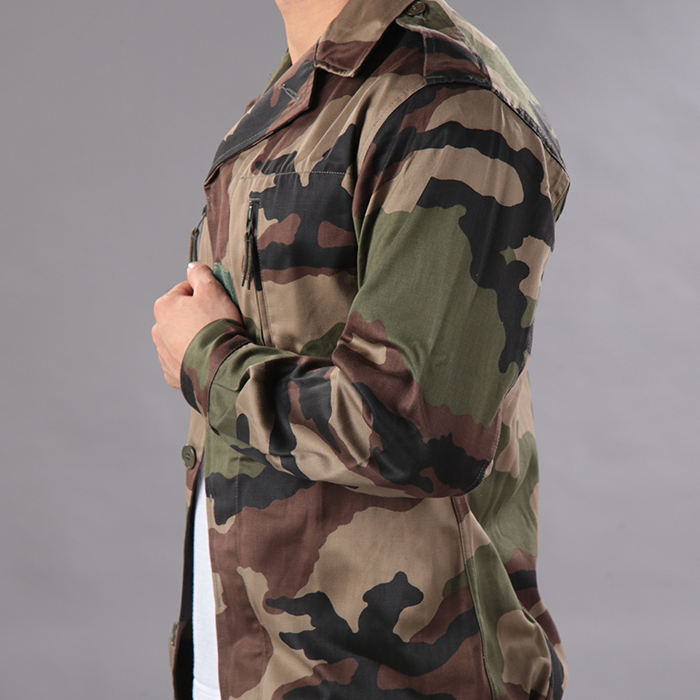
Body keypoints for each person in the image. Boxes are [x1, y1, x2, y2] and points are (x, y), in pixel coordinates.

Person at [151, 0, 571, 698]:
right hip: (260, 663)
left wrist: (208, 360)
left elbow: (418, 428)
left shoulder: (447, 104)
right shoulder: (307, 95)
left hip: (399, 674)